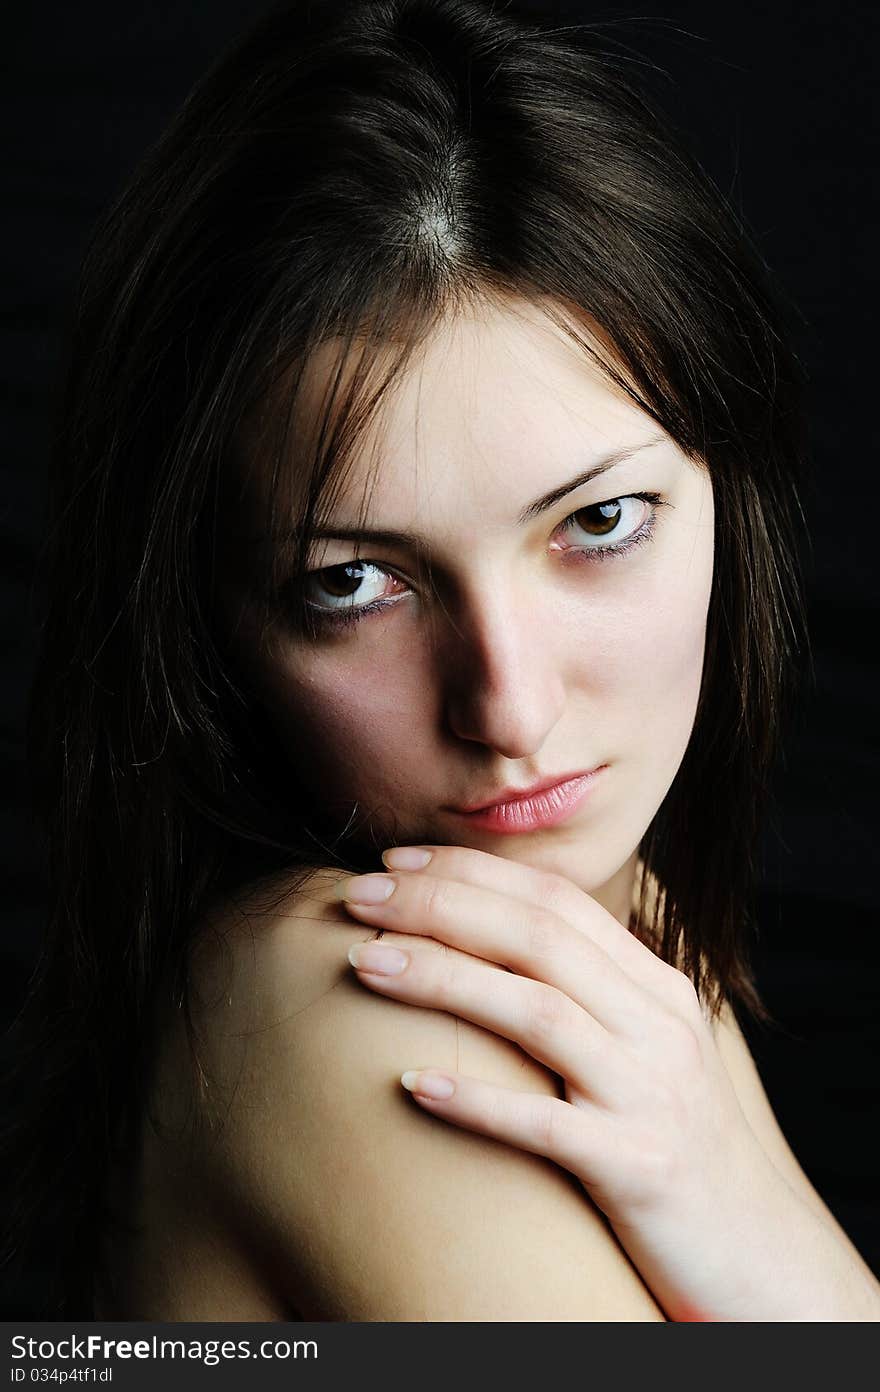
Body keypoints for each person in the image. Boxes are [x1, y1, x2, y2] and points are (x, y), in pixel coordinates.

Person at [3, 0, 879, 1321]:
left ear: (726, 488)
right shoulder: (374, 1003)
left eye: (597, 523)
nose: (510, 710)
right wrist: (800, 1273)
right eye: (354, 584)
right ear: (213, 621)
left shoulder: (604, 914)